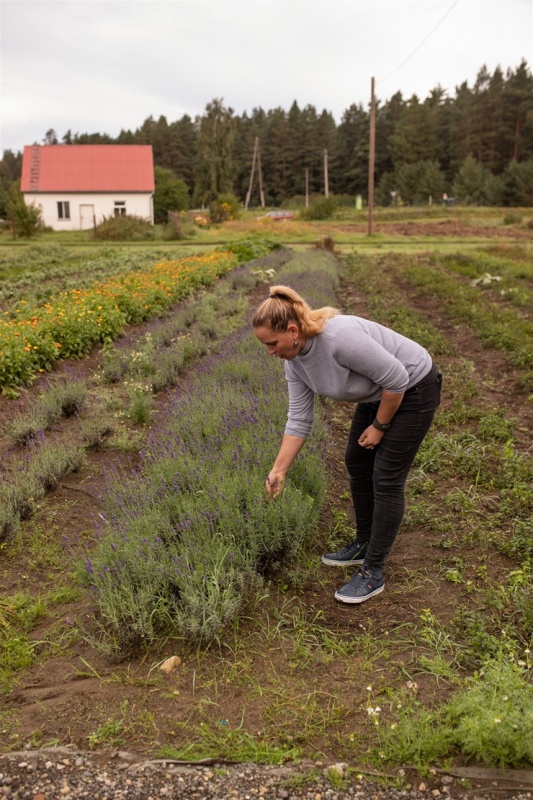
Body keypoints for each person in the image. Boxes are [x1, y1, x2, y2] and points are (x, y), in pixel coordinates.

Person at [253, 285, 442, 604]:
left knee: (386, 477)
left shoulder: (339, 339)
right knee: (356, 460)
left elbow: (397, 379)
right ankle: (365, 542)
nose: (270, 351)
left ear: (293, 330)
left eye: (272, 343)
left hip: (413, 388)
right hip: (380, 392)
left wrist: (379, 427)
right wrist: (279, 471)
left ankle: (373, 570)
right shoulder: (294, 362)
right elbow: (299, 418)